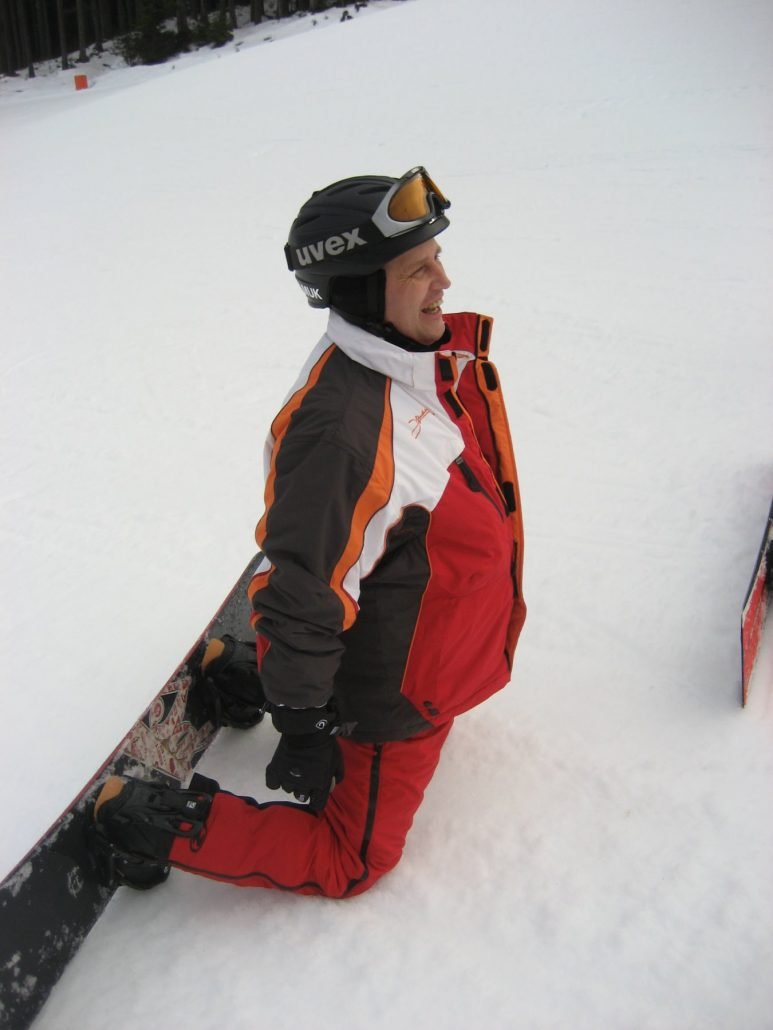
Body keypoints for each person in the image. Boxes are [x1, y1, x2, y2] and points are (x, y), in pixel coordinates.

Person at [90, 166, 527, 898]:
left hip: (427, 662)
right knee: (350, 861)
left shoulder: (409, 366)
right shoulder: (346, 434)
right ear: (362, 288)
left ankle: (257, 677)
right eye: (417, 269)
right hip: (395, 699)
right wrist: (300, 725)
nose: (443, 282)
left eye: (437, 258)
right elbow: (304, 586)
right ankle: (141, 821)